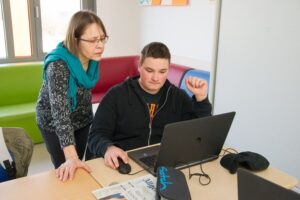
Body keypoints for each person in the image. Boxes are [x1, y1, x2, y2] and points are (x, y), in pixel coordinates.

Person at [88, 42, 212, 170]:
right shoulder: (116, 95)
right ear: (139, 66)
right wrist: (108, 148)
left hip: (163, 163)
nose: (156, 78)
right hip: (124, 162)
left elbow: (199, 135)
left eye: (162, 71)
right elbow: (96, 135)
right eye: (149, 70)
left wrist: (201, 99)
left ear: (168, 69)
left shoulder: (178, 97)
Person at [36, 10, 108, 182]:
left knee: (78, 164)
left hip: (82, 119)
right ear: (75, 40)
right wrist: (70, 156)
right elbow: (60, 113)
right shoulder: (58, 66)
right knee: (66, 169)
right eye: (93, 40)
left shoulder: (92, 59)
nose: (100, 45)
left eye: (103, 38)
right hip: (54, 124)